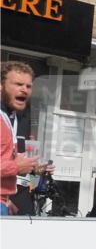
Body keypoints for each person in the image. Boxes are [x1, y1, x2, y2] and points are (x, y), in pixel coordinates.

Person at [1, 61, 52, 216]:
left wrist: (34, 169)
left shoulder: (11, 118)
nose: (24, 90)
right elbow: (12, 166)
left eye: (28, 86)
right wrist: (16, 167)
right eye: (18, 84)